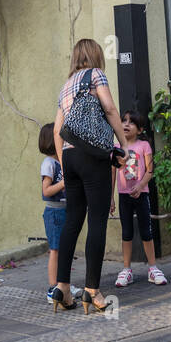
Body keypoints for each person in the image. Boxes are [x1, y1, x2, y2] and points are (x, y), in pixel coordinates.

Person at [52, 39, 128, 314]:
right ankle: (92, 290)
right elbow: (110, 109)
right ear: (95, 56)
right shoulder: (96, 75)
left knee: (72, 220)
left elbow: (57, 130)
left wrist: (64, 163)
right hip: (93, 156)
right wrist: (124, 144)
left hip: (70, 157)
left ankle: (62, 287)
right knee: (97, 220)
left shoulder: (65, 86)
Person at [112, 110, 168, 287]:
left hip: (141, 195)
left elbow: (150, 171)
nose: (126, 124)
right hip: (124, 196)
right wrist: (110, 198)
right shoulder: (116, 147)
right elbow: (112, 173)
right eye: (124, 121)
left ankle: (153, 268)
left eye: (132, 122)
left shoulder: (144, 146)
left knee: (146, 232)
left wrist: (140, 185)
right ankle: (126, 270)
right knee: (126, 233)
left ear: (140, 129)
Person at [38, 123, 81, 304]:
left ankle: (64, 284)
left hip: (65, 212)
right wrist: (64, 182)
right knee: (55, 250)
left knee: (64, 249)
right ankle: (53, 288)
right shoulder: (49, 164)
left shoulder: (61, 161)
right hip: (54, 214)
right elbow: (46, 191)